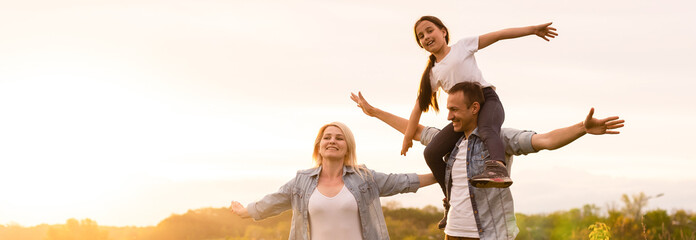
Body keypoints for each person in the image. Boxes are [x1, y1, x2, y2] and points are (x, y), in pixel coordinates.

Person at [351, 82, 624, 239]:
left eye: (454, 110)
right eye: (447, 110)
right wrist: (374, 112)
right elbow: (417, 130)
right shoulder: (453, 141)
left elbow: (544, 140)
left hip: (491, 235)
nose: (449, 117)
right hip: (454, 233)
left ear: (475, 108)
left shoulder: (500, 139)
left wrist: (582, 128)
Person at [403, 16, 558, 191]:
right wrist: (407, 138)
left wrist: (532, 30)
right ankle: (451, 195)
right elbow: (418, 107)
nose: (426, 37)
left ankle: (498, 169)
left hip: (486, 101)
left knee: (486, 130)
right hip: (464, 116)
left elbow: (498, 35)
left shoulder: (462, 47)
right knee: (431, 153)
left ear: (443, 31)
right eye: (421, 36)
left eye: (430, 31)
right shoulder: (432, 73)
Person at [229, 122, 437, 240]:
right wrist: (246, 211)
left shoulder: (364, 178)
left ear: (348, 146)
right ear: (319, 145)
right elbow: (273, 201)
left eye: (339, 138)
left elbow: (400, 182)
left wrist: (439, 175)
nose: (332, 141)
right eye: (327, 137)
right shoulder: (301, 182)